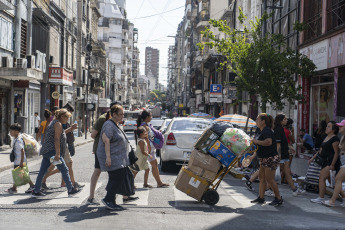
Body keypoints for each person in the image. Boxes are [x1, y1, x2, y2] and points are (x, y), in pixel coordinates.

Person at [32, 109, 81, 197]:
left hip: (46, 150)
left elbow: (61, 134)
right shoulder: (58, 124)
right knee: (64, 169)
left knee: (42, 171)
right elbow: (56, 139)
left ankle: (36, 190)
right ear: (62, 117)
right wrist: (58, 154)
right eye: (67, 117)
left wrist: (71, 129)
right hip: (52, 150)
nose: (67, 119)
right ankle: (70, 189)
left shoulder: (53, 122)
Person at [97, 104, 137, 210]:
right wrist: (108, 157)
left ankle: (112, 201)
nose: (122, 116)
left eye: (123, 114)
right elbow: (106, 140)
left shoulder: (115, 124)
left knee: (116, 177)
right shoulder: (108, 125)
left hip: (118, 157)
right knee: (117, 176)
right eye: (120, 114)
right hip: (112, 156)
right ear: (114, 114)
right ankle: (108, 199)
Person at [87, 101, 120, 205]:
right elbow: (93, 135)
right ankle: (91, 197)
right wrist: (105, 138)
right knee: (97, 171)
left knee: (116, 172)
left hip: (112, 149)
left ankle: (123, 195)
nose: (121, 115)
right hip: (101, 149)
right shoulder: (102, 119)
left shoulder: (116, 119)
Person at [250, 113, 283, 206]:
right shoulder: (260, 130)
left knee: (269, 179)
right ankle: (261, 198)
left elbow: (268, 142)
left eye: (257, 119)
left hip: (270, 158)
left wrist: (256, 141)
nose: (256, 121)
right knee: (261, 178)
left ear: (263, 121)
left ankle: (278, 198)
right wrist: (253, 154)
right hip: (264, 158)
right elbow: (258, 145)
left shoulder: (267, 131)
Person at [309, 121, 341, 204]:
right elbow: (320, 149)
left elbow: (336, 152)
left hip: (330, 162)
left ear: (333, 129)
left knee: (321, 178)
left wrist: (332, 164)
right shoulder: (326, 137)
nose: (326, 128)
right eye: (327, 126)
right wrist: (312, 158)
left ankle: (321, 198)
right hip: (323, 161)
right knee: (333, 184)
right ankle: (344, 197)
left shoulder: (335, 139)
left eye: (329, 127)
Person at [274, 114, 305, 196]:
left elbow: (284, 143)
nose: (286, 120)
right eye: (284, 119)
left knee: (287, 172)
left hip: (285, 154)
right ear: (280, 120)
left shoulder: (281, 129)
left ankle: (294, 189)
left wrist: (289, 148)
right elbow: (278, 144)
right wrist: (277, 155)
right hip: (281, 155)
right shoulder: (278, 130)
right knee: (274, 173)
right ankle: (267, 188)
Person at [137, 110, 169, 188]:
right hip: (146, 149)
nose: (151, 118)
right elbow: (146, 138)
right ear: (147, 117)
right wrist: (148, 149)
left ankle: (159, 183)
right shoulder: (144, 127)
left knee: (154, 165)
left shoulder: (146, 125)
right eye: (150, 116)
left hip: (149, 149)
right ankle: (130, 184)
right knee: (137, 167)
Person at [5, 123, 35, 194]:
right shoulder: (16, 138)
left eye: (12, 131)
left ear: (17, 132)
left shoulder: (18, 140)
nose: (10, 132)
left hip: (19, 161)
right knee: (21, 174)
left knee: (20, 174)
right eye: (10, 131)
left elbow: (22, 151)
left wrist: (21, 162)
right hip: (18, 160)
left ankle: (15, 188)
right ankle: (15, 188)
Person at [322, 120, 345, 207]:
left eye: (341, 126)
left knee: (338, 179)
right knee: (338, 180)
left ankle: (332, 201)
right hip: (343, 160)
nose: (339, 127)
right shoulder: (343, 137)